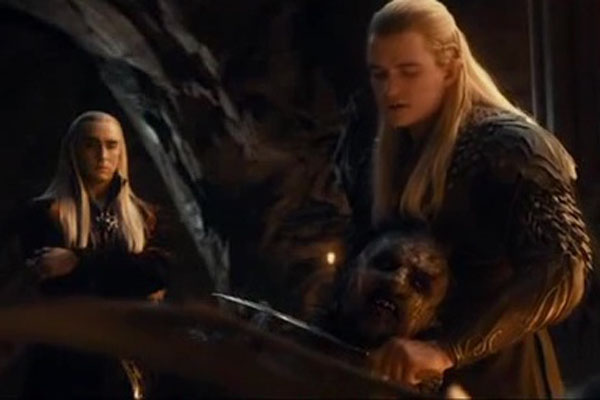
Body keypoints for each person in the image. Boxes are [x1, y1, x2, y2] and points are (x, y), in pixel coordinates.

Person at [334, 0, 592, 397]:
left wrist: (446, 349)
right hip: (395, 376)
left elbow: (563, 268)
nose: (391, 90)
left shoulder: (509, 150)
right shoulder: (374, 148)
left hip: (498, 382)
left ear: (451, 66)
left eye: (409, 72)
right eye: (379, 74)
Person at [16, 111, 169, 399]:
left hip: (126, 367)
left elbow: (158, 273)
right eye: (91, 145)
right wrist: (127, 275)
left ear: (121, 151)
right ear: (73, 151)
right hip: (62, 368)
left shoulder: (145, 217)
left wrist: (76, 261)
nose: (102, 155)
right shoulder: (43, 214)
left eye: (111, 145)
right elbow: (59, 287)